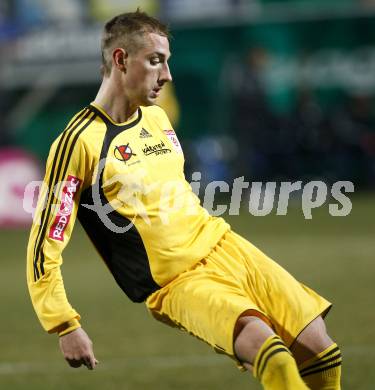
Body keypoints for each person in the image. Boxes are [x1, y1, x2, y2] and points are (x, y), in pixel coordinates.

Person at [26, 10, 342, 389]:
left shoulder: (157, 119)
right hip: (178, 283)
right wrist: (63, 322)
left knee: (322, 352)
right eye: (156, 61)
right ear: (121, 59)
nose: (167, 75)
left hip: (227, 246)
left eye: (168, 62)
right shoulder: (78, 142)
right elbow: (44, 244)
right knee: (271, 354)